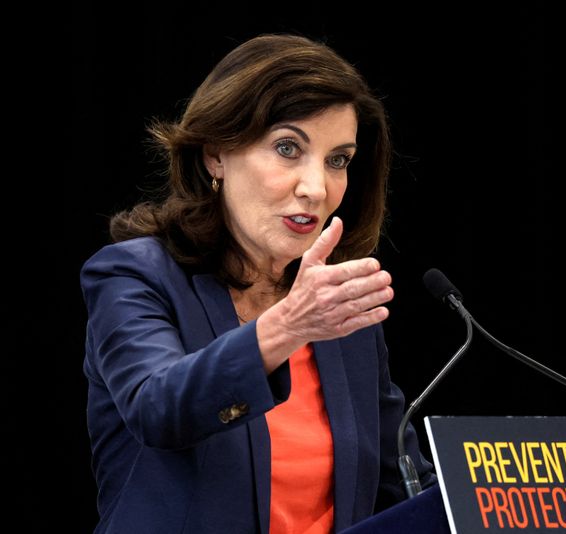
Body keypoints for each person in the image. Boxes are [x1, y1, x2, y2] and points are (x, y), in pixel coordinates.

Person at [80, 33, 435, 534]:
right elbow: (157, 408)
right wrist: (287, 326)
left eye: (338, 160)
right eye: (288, 148)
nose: (316, 187)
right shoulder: (133, 275)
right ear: (215, 156)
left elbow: (402, 488)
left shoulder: (337, 310)